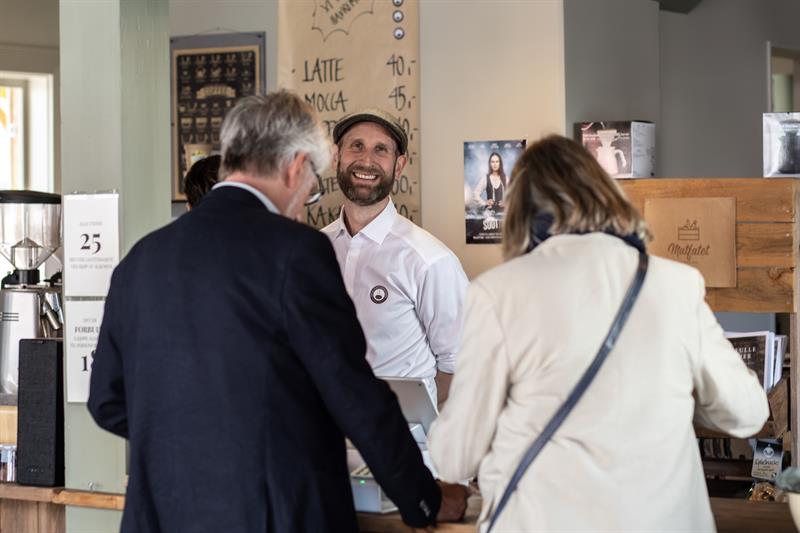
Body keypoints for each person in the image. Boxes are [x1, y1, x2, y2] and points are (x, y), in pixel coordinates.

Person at [88, 91, 467, 533]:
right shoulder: (298, 252)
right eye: (312, 182)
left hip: (159, 514)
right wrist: (425, 499)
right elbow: (356, 397)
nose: (308, 195)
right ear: (295, 165)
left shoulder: (142, 258)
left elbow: (107, 401)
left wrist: (193, 441)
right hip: (272, 513)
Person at [428, 135, 769, 532]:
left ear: (520, 211)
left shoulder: (498, 292)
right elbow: (747, 414)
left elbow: (456, 456)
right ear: (605, 195)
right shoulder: (676, 284)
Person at [322, 108, 468, 404]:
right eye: (356, 146)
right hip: (325, 439)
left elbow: (460, 364)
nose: (366, 160)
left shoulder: (429, 260)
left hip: (403, 442)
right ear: (337, 157)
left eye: (381, 150)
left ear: (399, 166)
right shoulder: (314, 250)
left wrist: (408, 421)